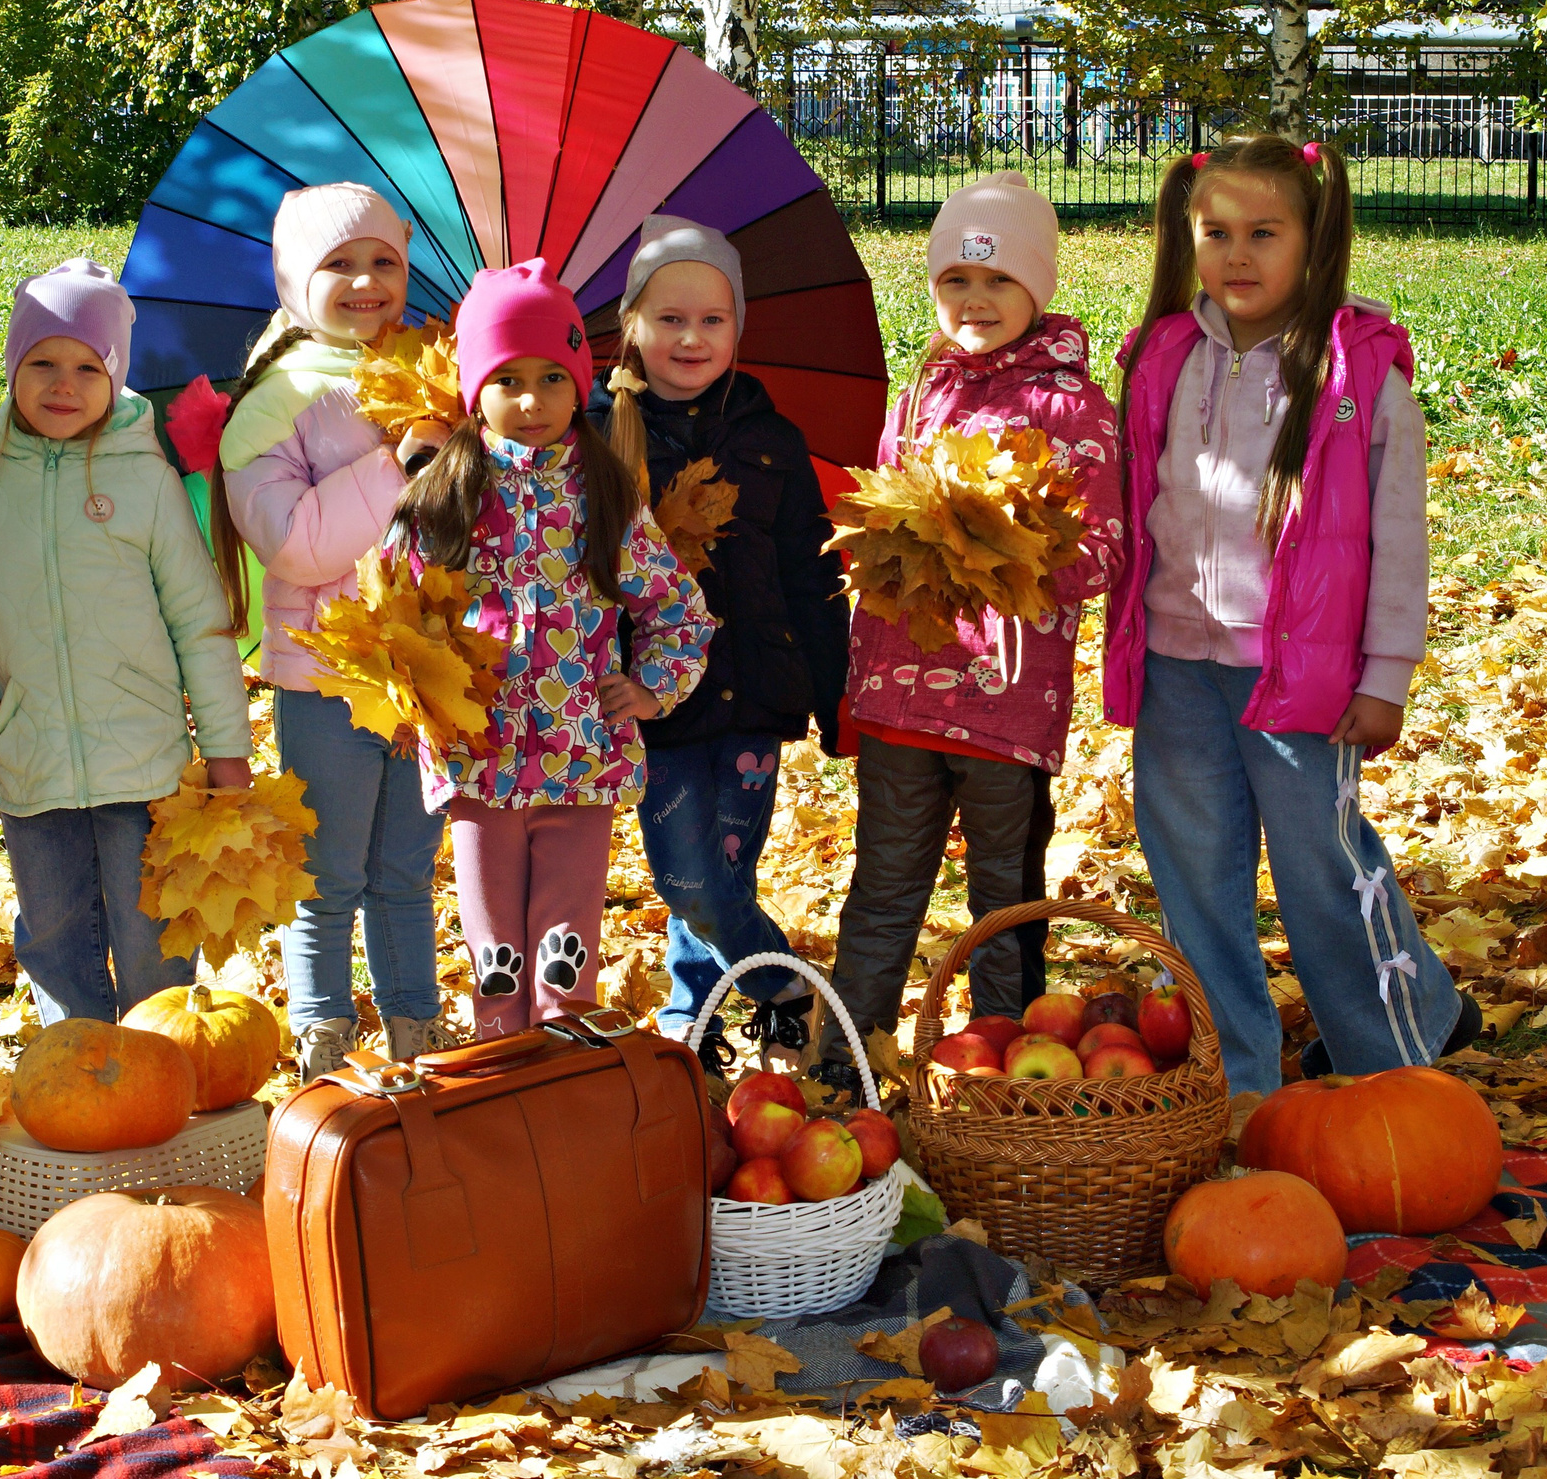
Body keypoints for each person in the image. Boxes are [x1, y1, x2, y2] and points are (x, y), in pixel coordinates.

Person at [1106, 134, 1481, 1094]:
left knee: (1325, 872)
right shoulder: (1160, 357)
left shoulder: (1357, 373)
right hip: (1177, 666)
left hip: (1304, 680)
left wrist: (1385, 674)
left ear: (1313, 241)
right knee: (1194, 876)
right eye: (1215, 231)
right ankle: (1236, 1074)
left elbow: (1397, 539)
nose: (1237, 255)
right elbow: (1128, 508)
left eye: (1264, 232)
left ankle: (1393, 1053)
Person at [816, 172, 1126, 1075]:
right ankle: (846, 1063)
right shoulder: (916, 403)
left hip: (1005, 707)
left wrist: (1004, 545)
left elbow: (1100, 553)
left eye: (998, 281)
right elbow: (876, 542)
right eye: (956, 280)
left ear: (1038, 288)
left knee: (1004, 899)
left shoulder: (1074, 412)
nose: (976, 301)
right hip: (901, 699)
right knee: (882, 889)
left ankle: (1005, 1068)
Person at [394, 259, 713, 1041]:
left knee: (565, 964)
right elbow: (393, 618)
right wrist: (418, 698)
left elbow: (678, 609)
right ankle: (503, 1092)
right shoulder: (447, 498)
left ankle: (563, 1099)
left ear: (581, 382)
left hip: (581, 760)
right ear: (476, 392)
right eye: (507, 379)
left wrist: (649, 687)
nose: (532, 400)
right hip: (479, 759)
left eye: (552, 377)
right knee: (495, 957)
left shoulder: (604, 495)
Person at [0, 259, 254, 1025]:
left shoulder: (145, 481)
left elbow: (200, 619)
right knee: (51, 931)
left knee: (151, 932)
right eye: (42, 361)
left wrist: (225, 748)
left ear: (116, 379)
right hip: (29, 750)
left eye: (89, 367)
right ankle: (80, 1069)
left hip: (145, 759)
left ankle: (164, 1063)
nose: (63, 382)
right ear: (13, 366)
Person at [587, 216, 849, 1059]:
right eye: (669, 319)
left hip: (753, 692)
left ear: (738, 327)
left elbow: (813, 575)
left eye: (712, 319)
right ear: (630, 323)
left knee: (727, 866)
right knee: (687, 873)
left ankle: (692, 1018)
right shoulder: (597, 438)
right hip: (655, 703)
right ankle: (786, 987)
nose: (691, 338)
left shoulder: (772, 439)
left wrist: (832, 689)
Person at [226, 184, 453, 1077]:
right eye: (338, 264)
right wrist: (399, 460)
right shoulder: (274, 400)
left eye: (383, 261)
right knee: (327, 874)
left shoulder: (439, 373)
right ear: (293, 279)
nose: (365, 280)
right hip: (325, 675)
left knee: (404, 866)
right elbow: (296, 543)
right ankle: (322, 1035)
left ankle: (416, 1028)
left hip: (426, 670)